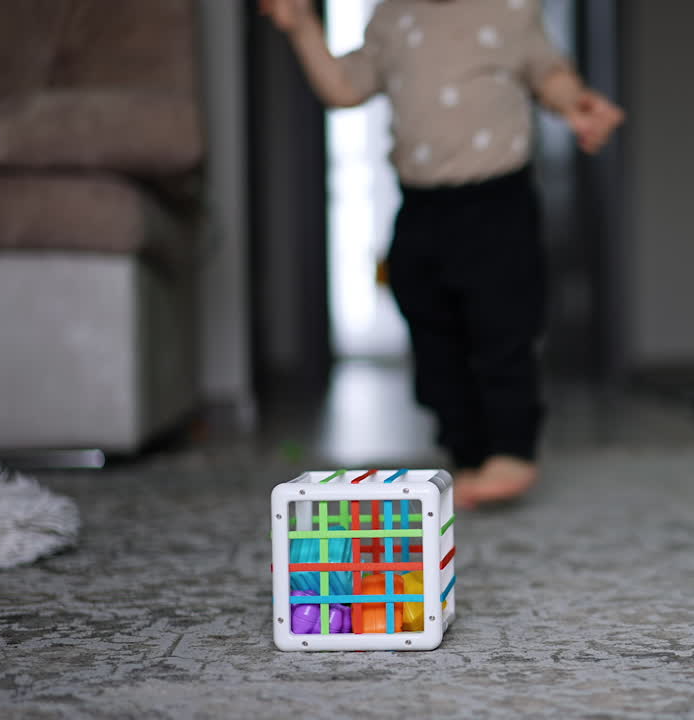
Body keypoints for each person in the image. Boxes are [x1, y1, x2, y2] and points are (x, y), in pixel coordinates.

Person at [261, 0, 624, 508]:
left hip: (496, 199)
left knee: (504, 327)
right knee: (431, 331)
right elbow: (344, 88)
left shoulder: (511, 10)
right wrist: (302, 28)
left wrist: (577, 104)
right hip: (422, 204)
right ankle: (468, 449)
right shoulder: (391, 17)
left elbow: (550, 72)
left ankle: (512, 448)